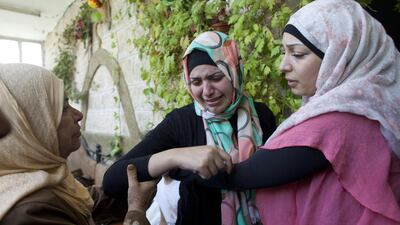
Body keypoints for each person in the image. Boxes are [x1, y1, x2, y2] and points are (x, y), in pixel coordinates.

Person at [170, 0, 400, 224]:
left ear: (341, 54)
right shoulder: (373, 103)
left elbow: (246, 174)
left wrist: (169, 160)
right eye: (196, 81)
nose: (283, 65)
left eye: (298, 54)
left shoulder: (340, 121)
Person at [103, 31, 277, 225]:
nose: (207, 91)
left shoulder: (261, 115)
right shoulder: (181, 122)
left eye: (216, 77)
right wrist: (176, 157)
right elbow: (112, 180)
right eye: (196, 82)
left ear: (234, 72)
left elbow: (272, 176)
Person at [0, 63, 155, 225]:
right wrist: (136, 210)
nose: (79, 115)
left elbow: (84, 201)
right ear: (32, 125)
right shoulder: (28, 214)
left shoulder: (47, 180)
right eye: (64, 107)